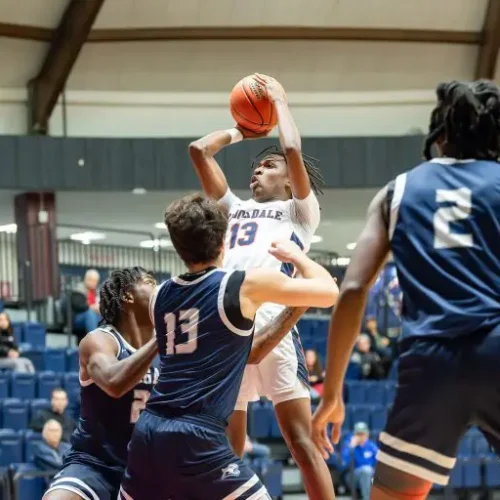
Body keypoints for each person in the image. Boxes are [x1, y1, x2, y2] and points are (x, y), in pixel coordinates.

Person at [313, 80, 500, 498]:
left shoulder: (397, 191)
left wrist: (333, 393)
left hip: (432, 362)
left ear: (441, 133)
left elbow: (353, 290)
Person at [119, 193, 337, 500]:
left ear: (179, 248)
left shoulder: (161, 295)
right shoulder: (240, 286)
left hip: (148, 433)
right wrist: (296, 257)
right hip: (197, 437)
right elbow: (329, 291)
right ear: (226, 241)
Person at [189, 74, 334, 499]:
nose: (257, 168)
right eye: (256, 165)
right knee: (227, 448)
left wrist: (279, 102)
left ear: (291, 180)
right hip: (229, 322)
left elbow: (291, 149)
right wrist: (242, 130)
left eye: (268, 166)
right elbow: (199, 150)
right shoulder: (234, 209)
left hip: (274, 320)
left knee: (301, 444)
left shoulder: (300, 211)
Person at [43, 267, 159, 500]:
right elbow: (114, 383)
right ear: (128, 295)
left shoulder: (173, 350)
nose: (159, 288)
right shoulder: (100, 340)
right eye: (150, 282)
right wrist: (162, 338)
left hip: (150, 469)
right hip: (95, 464)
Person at [341, 422, 378, 500]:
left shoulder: (371, 446)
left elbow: (379, 461)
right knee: (366, 470)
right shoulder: (349, 444)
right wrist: (351, 447)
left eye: (363, 434)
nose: (361, 436)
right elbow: (344, 463)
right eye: (358, 434)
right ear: (354, 434)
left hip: (370, 475)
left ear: (367, 434)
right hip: (352, 476)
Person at [72, 269, 101, 335]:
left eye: (95, 281)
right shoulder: (79, 289)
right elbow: (78, 306)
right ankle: (93, 339)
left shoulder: (97, 291)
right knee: (90, 313)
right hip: (79, 317)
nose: (93, 282)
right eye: (90, 280)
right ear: (86, 279)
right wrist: (92, 307)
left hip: (95, 316)